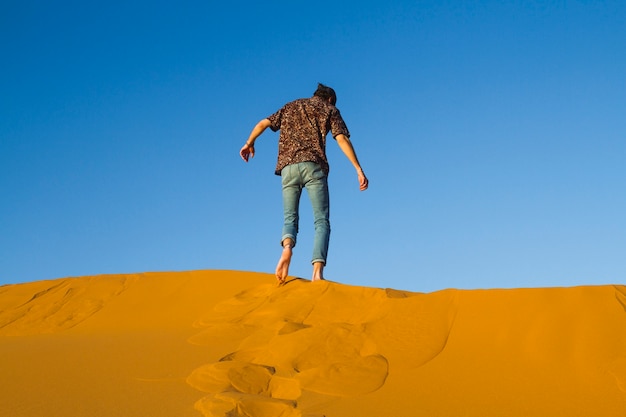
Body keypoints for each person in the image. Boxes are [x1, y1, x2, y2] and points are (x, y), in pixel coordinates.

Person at [240, 83, 368, 284]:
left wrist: (249, 143)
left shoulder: (290, 106)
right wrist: (358, 169)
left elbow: (263, 123)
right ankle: (317, 273)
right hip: (314, 167)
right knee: (321, 221)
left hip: (288, 169)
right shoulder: (330, 109)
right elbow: (341, 138)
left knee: (290, 218)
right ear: (330, 99)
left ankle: (287, 248)